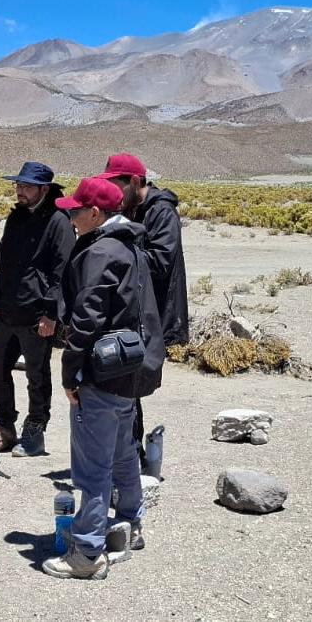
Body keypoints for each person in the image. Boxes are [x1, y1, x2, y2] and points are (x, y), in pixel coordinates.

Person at [42, 177, 164, 580]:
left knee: (93, 467)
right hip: (127, 370)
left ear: (96, 213)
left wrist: (69, 371)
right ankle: (130, 526)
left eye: (76, 210)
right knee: (123, 453)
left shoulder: (101, 252)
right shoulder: (131, 245)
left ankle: (87, 554)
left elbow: (87, 318)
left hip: (101, 371)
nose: (71, 216)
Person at [98, 153, 188, 464]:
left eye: (118, 185)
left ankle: (130, 457)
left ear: (135, 182)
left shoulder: (161, 212)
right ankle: (129, 455)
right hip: (135, 311)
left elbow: (161, 261)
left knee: (130, 381)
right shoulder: (135, 211)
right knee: (126, 382)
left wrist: (120, 252)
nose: (114, 193)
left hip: (154, 313)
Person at [0, 162, 75, 457]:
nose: (19, 191)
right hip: (8, 309)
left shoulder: (59, 222)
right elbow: (3, 263)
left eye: (25, 187)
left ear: (44, 189)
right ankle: (3, 424)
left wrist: (52, 314)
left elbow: (62, 272)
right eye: (18, 185)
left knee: (37, 377)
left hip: (37, 316)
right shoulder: (17, 217)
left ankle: (35, 431)